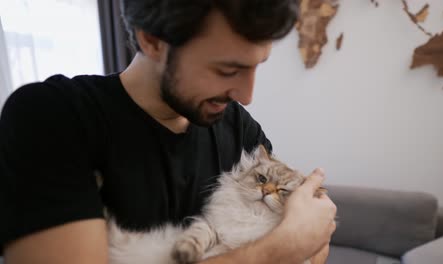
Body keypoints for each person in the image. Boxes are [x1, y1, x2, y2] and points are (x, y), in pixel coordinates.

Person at [0, 0, 337, 263]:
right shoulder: (52, 116)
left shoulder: (239, 128)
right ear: (152, 41)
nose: (246, 95)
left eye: (255, 66)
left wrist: (302, 237)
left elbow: (314, 241)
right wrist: (280, 249)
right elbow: (293, 243)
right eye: (227, 69)